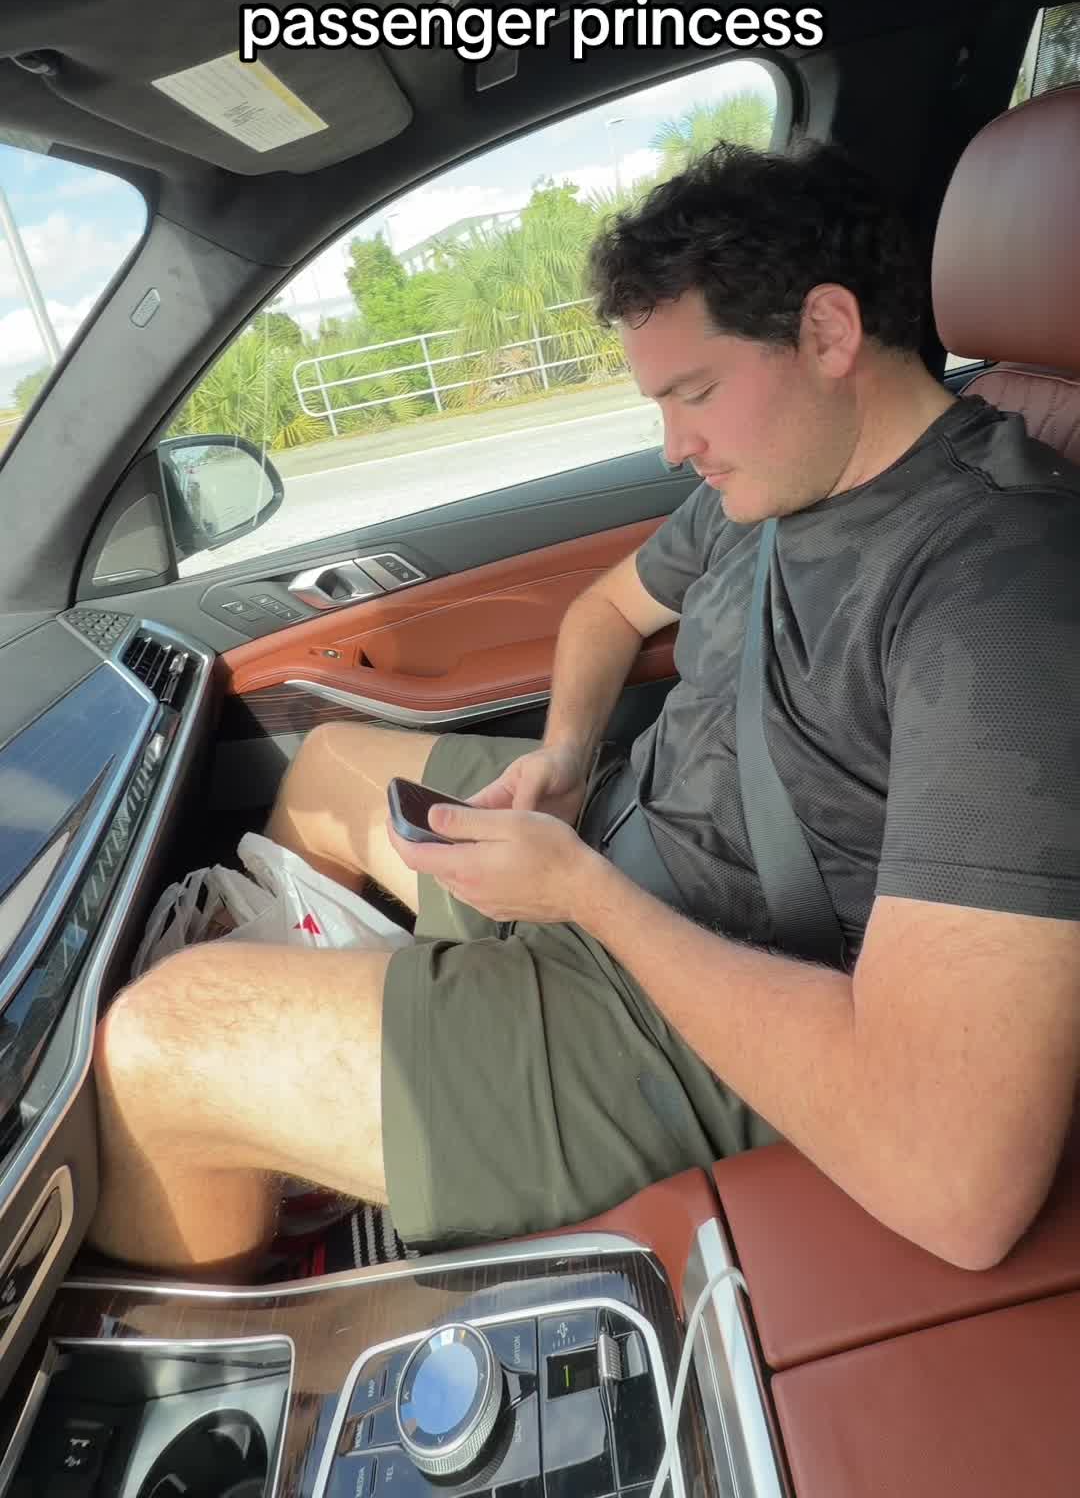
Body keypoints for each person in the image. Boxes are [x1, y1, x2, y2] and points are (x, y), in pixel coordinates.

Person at [88, 140, 1080, 1282]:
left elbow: (957, 1180)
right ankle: (342, 1108)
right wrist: (563, 761)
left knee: (161, 1048)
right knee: (323, 775)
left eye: (694, 394)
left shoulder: (1001, 596)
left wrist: (586, 900)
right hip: (616, 836)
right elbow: (605, 612)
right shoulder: (780, 478)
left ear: (827, 331)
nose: (674, 446)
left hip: (718, 1005)